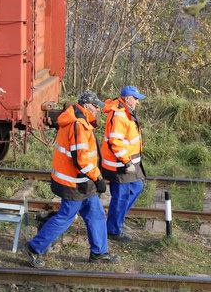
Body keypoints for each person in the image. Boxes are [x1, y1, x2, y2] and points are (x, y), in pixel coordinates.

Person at [21, 91, 121, 268]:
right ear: (86, 105)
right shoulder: (78, 125)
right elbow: (81, 159)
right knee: (66, 217)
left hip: (81, 181)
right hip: (74, 183)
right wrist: (97, 177)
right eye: (95, 105)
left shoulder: (80, 120)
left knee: (96, 214)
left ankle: (99, 253)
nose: (98, 108)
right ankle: (33, 248)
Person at [100, 85, 146, 242]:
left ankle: (116, 221)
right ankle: (113, 230)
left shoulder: (126, 111)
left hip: (125, 163)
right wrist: (127, 162)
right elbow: (115, 142)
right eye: (136, 98)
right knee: (121, 197)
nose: (137, 102)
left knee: (136, 187)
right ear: (127, 98)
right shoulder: (120, 115)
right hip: (119, 165)